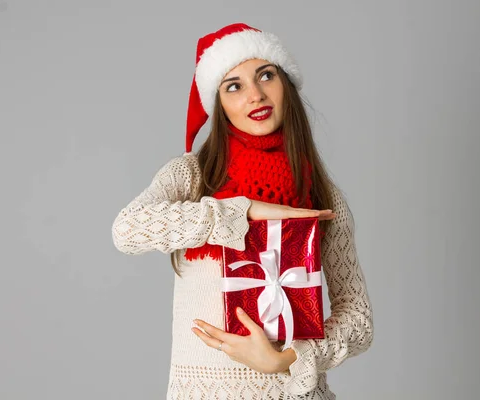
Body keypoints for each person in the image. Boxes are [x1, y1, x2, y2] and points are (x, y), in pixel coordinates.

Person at [111, 22, 374, 399]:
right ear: (219, 104)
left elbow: (358, 320)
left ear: (286, 84)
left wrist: (288, 359)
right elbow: (127, 230)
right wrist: (241, 213)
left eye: (265, 75)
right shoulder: (193, 177)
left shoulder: (322, 196)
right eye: (233, 85)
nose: (255, 95)